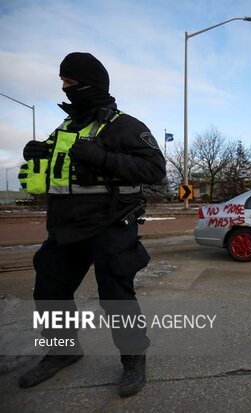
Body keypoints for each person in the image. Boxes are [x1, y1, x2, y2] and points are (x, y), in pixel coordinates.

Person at [18, 52, 166, 397]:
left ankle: (133, 359)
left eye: (70, 82)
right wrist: (39, 153)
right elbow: (54, 174)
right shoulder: (66, 128)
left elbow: (154, 170)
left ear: (90, 85)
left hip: (110, 225)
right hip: (65, 226)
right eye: (63, 82)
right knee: (49, 291)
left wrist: (101, 157)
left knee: (116, 296)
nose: (65, 89)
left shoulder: (126, 125)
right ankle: (62, 350)